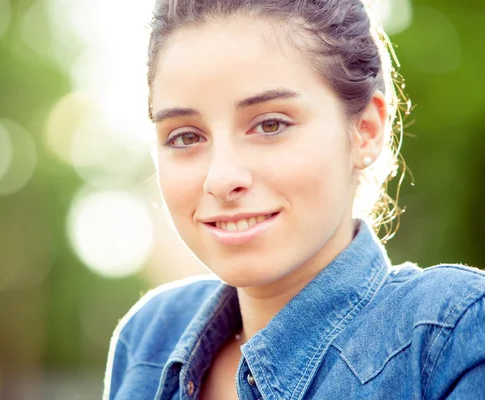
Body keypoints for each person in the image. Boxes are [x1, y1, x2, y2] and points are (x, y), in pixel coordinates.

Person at [103, 0, 485, 398]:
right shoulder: (150, 336)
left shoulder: (451, 335)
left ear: (365, 130)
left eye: (270, 125)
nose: (220, 179)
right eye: (185, 136)